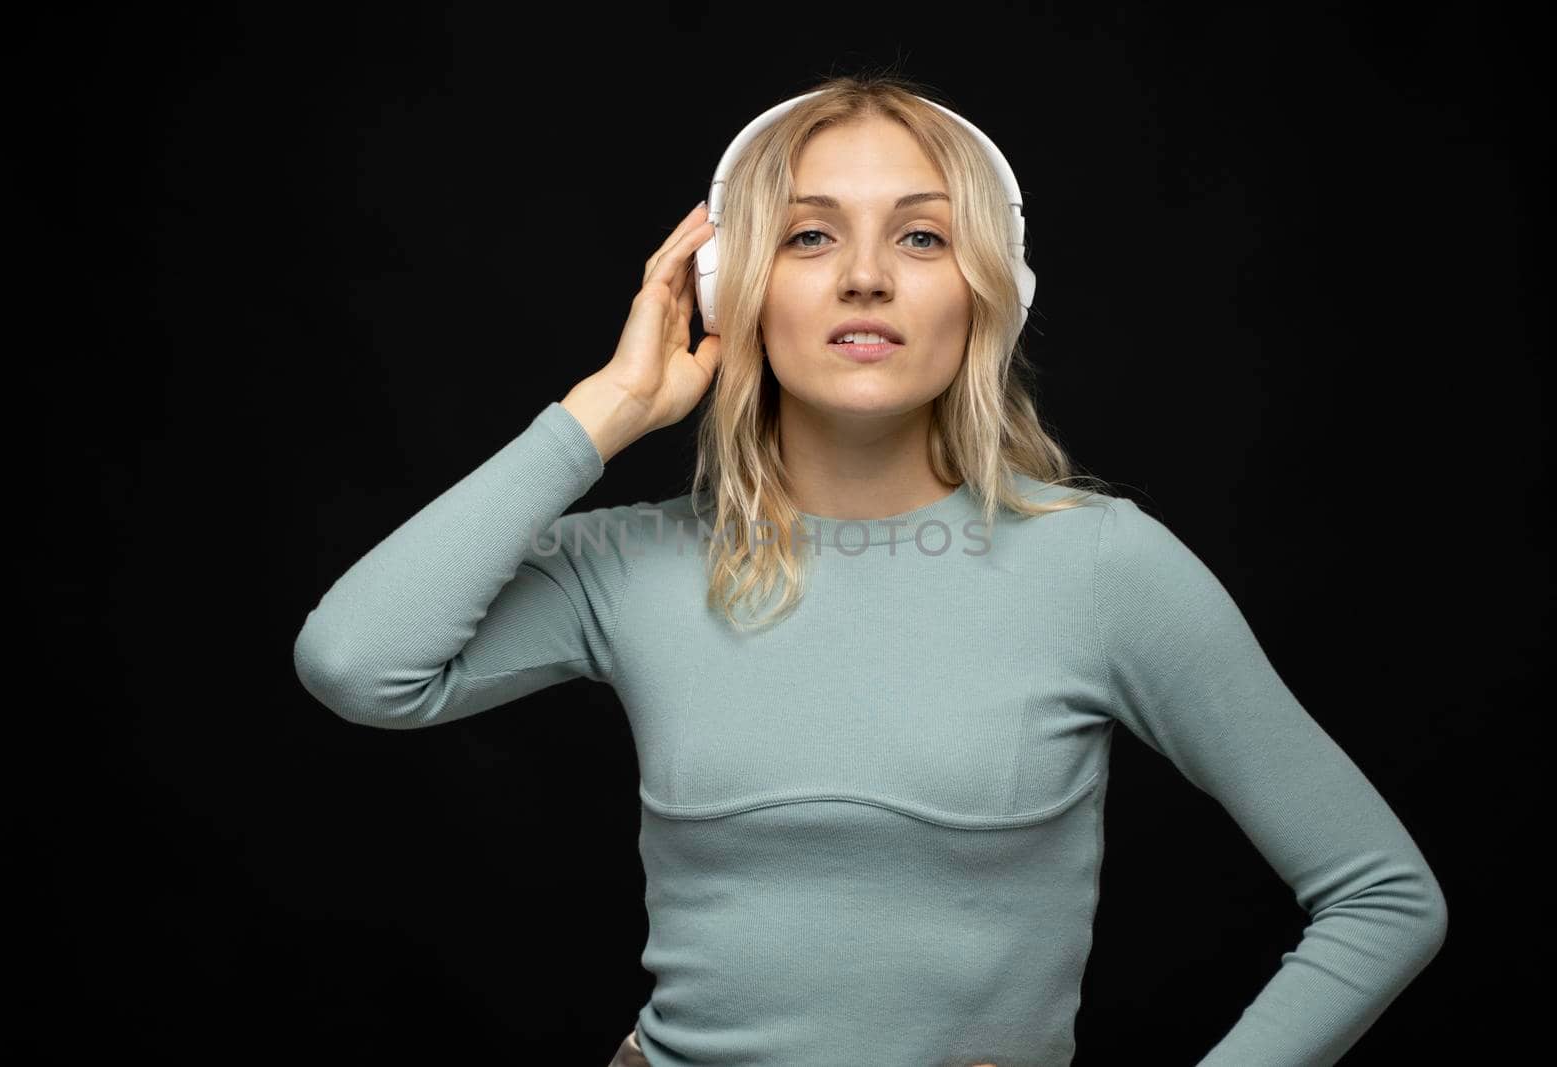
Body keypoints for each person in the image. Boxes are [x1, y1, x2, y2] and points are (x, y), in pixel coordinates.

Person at [293, 74, 1447, 1067]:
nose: (863, 277)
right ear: (729, 290)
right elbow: (358, 663)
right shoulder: (628, 561)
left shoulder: (1103, 565)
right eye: (807, 235)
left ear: (988, 292)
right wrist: (605, 412)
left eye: (921, 235)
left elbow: (1383, 895)